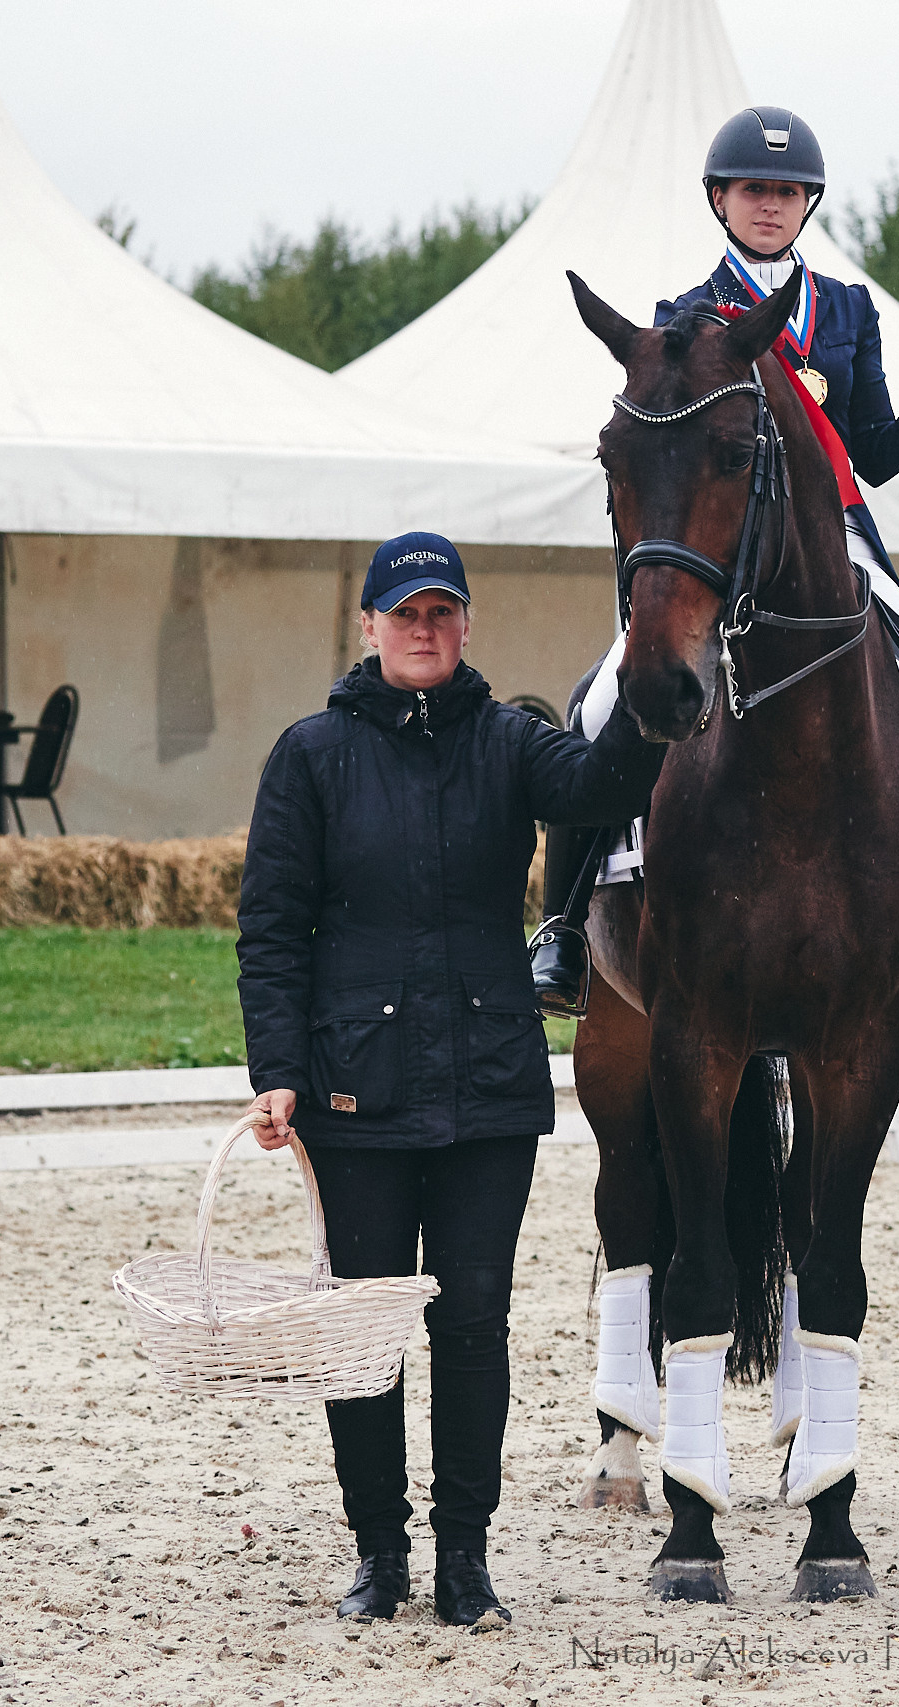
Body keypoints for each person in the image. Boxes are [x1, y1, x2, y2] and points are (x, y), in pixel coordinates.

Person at [528, 104, 899, 1028]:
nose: (770, 204)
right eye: (754, 189)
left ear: (809, 204)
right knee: (598, 703)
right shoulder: (682, 320)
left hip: (836, 546)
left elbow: (870, 452)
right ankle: (560, 924)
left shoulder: (848, 309)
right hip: (725, 555)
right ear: (720, 199)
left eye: (788, 191)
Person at [236, 533, 661, 1624]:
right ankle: (379, 1554)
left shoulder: (514, 742)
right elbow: (272, 930)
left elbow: (607, 781)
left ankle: (465, 1560)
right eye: (403, 613)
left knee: (472, 1326)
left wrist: (655, 670)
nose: (422, 630)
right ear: (367, 626)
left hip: (486, 1085)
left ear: (466, 625)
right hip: (353, 1089)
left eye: (441, 612)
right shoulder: (310, 754)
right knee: (364, 1328)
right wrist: (278, 1071)